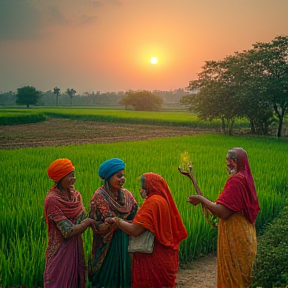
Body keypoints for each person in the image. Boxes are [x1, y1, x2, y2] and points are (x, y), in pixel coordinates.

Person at [188, 147, 260, 288]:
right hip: (245, 235)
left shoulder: (236, 181)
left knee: (233, 279)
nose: (229, 164)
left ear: (240, 162)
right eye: (228, 161)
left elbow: (223, 212)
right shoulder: (245, 178)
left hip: (236, 237)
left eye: (233, 161)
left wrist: (201, 199)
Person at [108, 172, 188, 288]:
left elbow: (135, 230)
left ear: (151, 186)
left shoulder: (153, 202)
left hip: (152, 258)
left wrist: (117, 221)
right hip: (164, 256)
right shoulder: (161, 200)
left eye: (143, 185)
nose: (141, 189)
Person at [43, 158, 96, 288]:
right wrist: (89, 221)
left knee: (76, 281)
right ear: (59, 178)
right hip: (60, 251)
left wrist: (94, 211)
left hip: (76, 247)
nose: (73, 179)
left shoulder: (75, 196)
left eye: (73, 174)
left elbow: (80, 219)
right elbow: (67, 232)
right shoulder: (52, 200)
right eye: (69, 176)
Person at [88, 158, 138, 288]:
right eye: (118, 176)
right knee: (106, 279)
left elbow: (136, 215)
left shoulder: (127, 195)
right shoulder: (99, 197)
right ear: (108, 177)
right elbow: (95, 223)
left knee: (125, 275)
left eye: (123, 175)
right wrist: (109, 225)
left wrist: (122, 223)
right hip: (107, 245)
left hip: (126, 241)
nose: (122, 179)